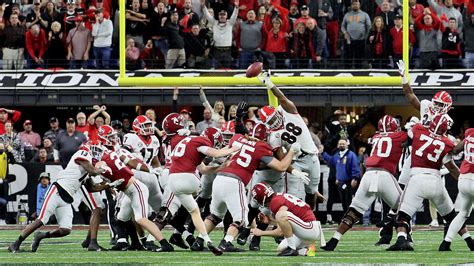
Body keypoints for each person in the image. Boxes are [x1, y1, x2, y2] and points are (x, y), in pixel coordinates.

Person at [192, 131, 297, 252]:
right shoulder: (261, 147)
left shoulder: (238, 138)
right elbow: (281, 167)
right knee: (241, 220)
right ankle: (225, 243)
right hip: (234, 182)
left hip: (219, 178)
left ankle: (199, 241)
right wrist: (292, 151)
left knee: (215, 215)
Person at [8, 142, 120, 253]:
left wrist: (109, 185)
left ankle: (41, 236)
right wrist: (104, 169)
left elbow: (92, 188)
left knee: (66, 230)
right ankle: (15, 244)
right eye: (96, 150)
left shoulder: (87, 169)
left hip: (66, 199)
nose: (97, 154)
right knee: (42, 220)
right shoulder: (82, 154)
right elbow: (93, 171)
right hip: (57, 191)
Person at [322, 115, 407, 251]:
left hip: (368, 175)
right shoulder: (400, 135)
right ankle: (402, 238)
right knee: (404, 208)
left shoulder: (375, 137)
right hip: (385, 174)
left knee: (353, 211)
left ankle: (334, 240)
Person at [387, 114, 466, 251]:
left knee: (403, 214)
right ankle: (469, 241)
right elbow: (452, 162)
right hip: (435, 179)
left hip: (417, 177)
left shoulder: (418, 129)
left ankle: (401, 239)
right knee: (451, 216)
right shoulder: (446, 142)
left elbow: (408, 134)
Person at [167, 127, 240, 255]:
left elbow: (204, 169)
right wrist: (234, 148)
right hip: (188, 179)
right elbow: (216, 154)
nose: (215, 146)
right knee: (199, 190)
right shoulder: (201, 141)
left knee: (195, 211)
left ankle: (206, 240)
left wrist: (220, 167)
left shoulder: (189, 142)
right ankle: (193, 196)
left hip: (172, 180)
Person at [258, 71, 321, 210]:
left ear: (277, 113)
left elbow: (282, 98)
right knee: (290, 193)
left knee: (311, 192)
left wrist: (270, 84)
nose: (274, 122)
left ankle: (310, 219)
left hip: (312, 157)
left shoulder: (287, 110)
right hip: (295, 161)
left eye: (274, 118)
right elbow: (281, 159)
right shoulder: (273, 136)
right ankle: (289, 220)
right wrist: (295, 172)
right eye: (270, 121)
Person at [251, 182, 323, 256]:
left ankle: (292, 248)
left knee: (281, 215)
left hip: (310, 228)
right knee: (281, 249)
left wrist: (261, 233)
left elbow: (280, 232)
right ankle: (306, 251)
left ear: (262, 197)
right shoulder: (277, 197)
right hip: (304, 229)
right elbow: (286, 225)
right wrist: (270, 221)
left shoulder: (275, 202)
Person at [440, 128, 474, 251]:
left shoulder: (470, 132)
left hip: (464, 178)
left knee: (463, 213)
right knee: (463, 213)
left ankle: (446, 242)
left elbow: (455, 150)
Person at [322, 138, 360, 213]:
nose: (341, 145)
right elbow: (330, 161)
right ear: (337, 145)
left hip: (349, 182)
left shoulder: (351, 155)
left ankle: (351, 217)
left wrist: (355, 178)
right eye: (340, 144)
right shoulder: (337, 155)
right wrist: (323, 153)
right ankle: (346, 216)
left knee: (348, 200)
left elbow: (355, 166)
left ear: (347, 145)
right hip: (340, 182)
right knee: (343, 200)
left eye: (343, 144)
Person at [202, 0, 239, 68]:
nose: (222, 16)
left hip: (228, 51)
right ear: (218, 16)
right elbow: (207, 15)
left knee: (227, 70)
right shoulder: (214, 22)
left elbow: (234, 15)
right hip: (217, 51)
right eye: (220, 14)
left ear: (227, 16)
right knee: (217, 71)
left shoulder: (230, 23)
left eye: (224, 14)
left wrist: (236, 7)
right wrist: (203, 6)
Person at [341, 0, 371, 69]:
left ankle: (358, 73)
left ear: (359, 5)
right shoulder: (347, 15)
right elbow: (342, 26)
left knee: (359, 58)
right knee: (348, 58)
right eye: (354, 4)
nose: (355, 5)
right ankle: (347, 72)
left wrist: (366, 36)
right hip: (349, 40)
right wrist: (345, 32)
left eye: (357, 4)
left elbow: (369, 26)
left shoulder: (364, 14)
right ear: (351, 6)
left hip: (361, 40)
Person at [0, 142, 16, 224]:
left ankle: (2, 218)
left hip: (4, 181)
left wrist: (9, 151)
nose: (1, 149)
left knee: (4, 201)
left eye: (2, 148)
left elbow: (13, 161)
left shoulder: (5, 155)